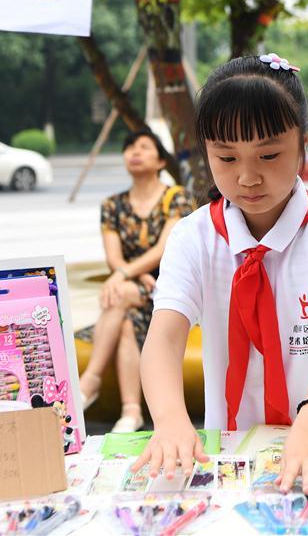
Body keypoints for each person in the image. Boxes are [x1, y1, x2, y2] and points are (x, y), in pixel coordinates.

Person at [133, 53, 308, 496]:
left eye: (268, 154)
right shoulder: (194, 237)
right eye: (226, 158)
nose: (247, 177)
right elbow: (163, 338)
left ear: (303, 143)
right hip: (232, 451)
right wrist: (169, 422)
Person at [76, 128, 193, 432]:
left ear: (160, 160)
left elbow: (164, 249)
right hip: (133, 290)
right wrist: (132, 273)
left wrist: (126, 273)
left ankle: (90, 380)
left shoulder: (176, 197)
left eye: (144, 146)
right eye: (129, 147)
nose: (135, 152)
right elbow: (113, 256)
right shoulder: (112, 205)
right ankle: (131, 412)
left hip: (168, 289)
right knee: (126, 321)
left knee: (122, 292)